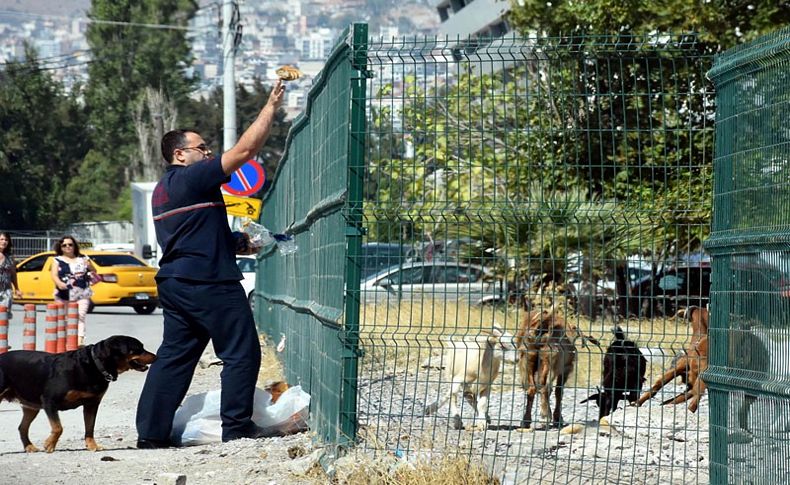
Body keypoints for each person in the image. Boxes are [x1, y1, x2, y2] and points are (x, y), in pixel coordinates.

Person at [135, 79, 286, 448]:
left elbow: (194, 235)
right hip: (208, 282)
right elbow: (246, 149)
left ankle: (151, 435)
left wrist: (240, 243)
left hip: (176, 280)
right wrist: (271, 105)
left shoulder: (165, 189)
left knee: (174, 356)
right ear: (179, 155)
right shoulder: (191, 177)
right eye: (201, 148)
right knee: (241, 350)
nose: (208, 153)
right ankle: (236, 426)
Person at [50, 235, 97, 347]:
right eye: (64, 245)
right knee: (64, 318)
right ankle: (66, 341)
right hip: (64, 294)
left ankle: (79, 341)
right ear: (60, 247)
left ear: (74, 246)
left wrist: (90, 266)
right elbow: (54, 275)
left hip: (82, 292)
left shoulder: (83, 258)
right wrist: (59, 283)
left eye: (70, 244)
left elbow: (94, 270)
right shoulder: (57, 260)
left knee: (80, 316)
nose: (68, 247)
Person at [0, 232, 22, 319]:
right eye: (1, 239)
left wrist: (17, 288)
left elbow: (13, 274)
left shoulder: (10, 257)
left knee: (4, 317)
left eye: (6, 240)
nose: (4, 242)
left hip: (6, 291)